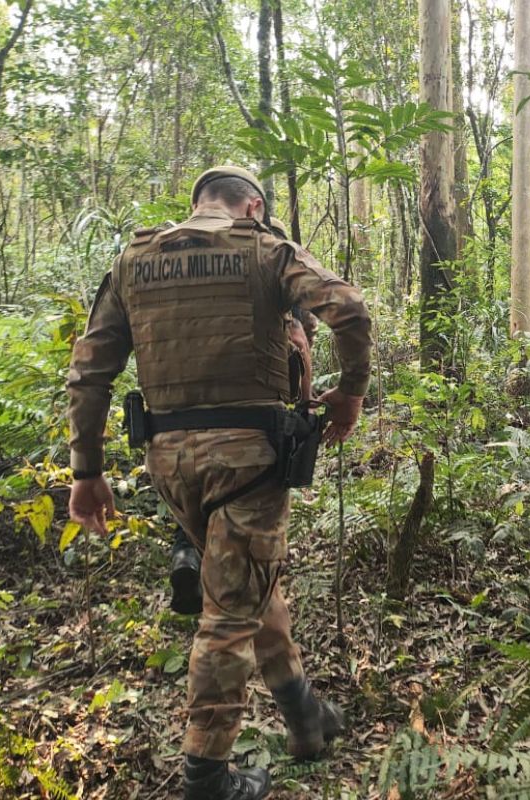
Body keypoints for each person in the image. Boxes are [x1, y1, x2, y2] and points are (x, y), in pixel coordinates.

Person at [66, 166, 371, 800]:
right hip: (248, 461)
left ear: (199, 204)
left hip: (170, 461)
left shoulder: (136, 260)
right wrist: (350, 396)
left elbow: (89, 373)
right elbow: (349, 309)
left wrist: (86, 472)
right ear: (252, 205)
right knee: (229, 614)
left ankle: (304, 716)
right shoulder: (264, 250)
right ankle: (207, 774)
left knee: (249, 580)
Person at [167, 217, 313, 617]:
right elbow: (300, 345)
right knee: (241, 522)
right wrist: (305, 407)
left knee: (200, 497)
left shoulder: (209, 277)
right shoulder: (281, 275)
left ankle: (187, 555)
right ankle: (227, 600)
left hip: (185, 421)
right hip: (255, 424)